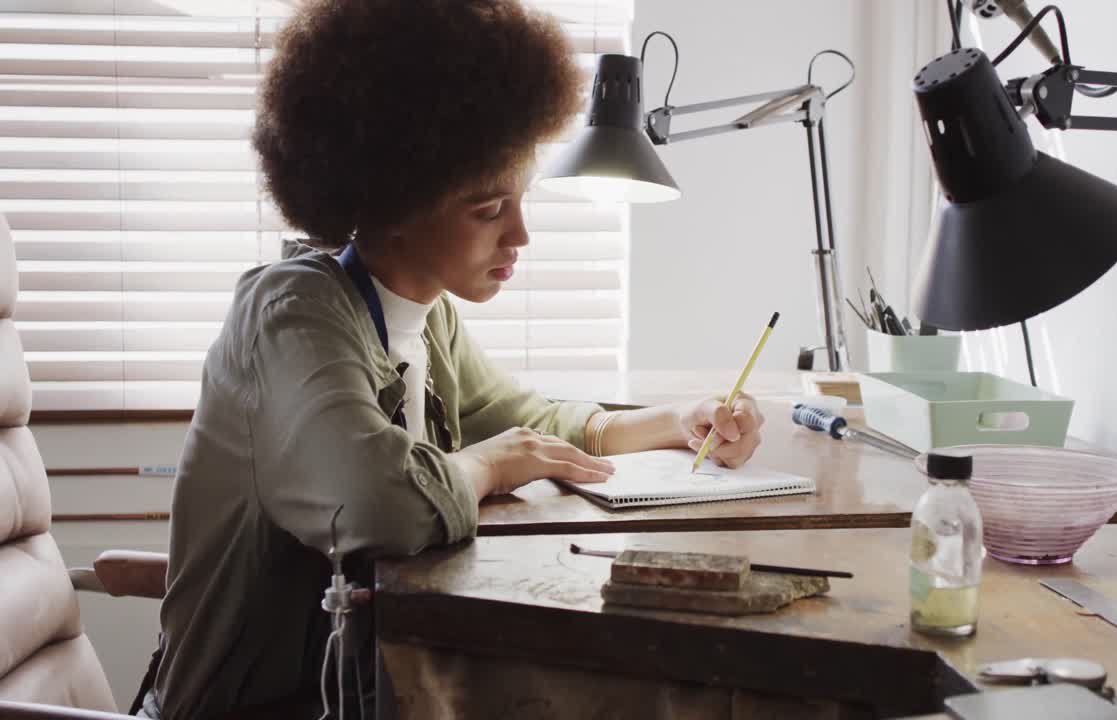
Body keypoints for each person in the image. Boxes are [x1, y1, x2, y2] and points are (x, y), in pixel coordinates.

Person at [140, 1, 765, 717]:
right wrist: (492, 464)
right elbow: (375, 502)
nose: (521, 235)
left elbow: (527, 421)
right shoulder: (293, 316)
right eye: (488, 208)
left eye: (520, 201)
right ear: (399, 197)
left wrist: (679, 420)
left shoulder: (425, 313)